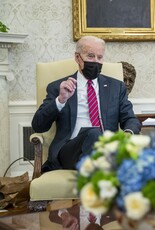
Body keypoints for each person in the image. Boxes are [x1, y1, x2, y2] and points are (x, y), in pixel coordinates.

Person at [32, 36, 141, 172]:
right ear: (78, 58)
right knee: (94, 133)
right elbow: (38, 125)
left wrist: (128, 133)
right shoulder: (59, 87)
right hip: (70, 151)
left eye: (100, 57)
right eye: (90, 56)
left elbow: (130, 119)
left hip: (108, 148)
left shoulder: (116, 87)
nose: (96, 61)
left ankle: (96, 172)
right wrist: (60, 100)